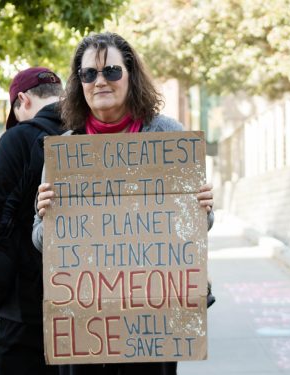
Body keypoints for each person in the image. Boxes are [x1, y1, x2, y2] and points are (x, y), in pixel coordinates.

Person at [32, 32, 214, 375]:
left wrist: (201, 207)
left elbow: (196, 230)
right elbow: (41, 242)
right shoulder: (65, 150)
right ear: (79, 84)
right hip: (87, 323)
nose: (100, 81)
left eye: (111, 71)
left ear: (131, 76)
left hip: (152, 320)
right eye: (89, 74)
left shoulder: (166, 136)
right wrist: (46, 217)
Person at [0, 67, 64, 375]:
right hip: (83, 300)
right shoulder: (87, 133)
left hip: (25, 303)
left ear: (23, 100)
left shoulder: (18, 138)